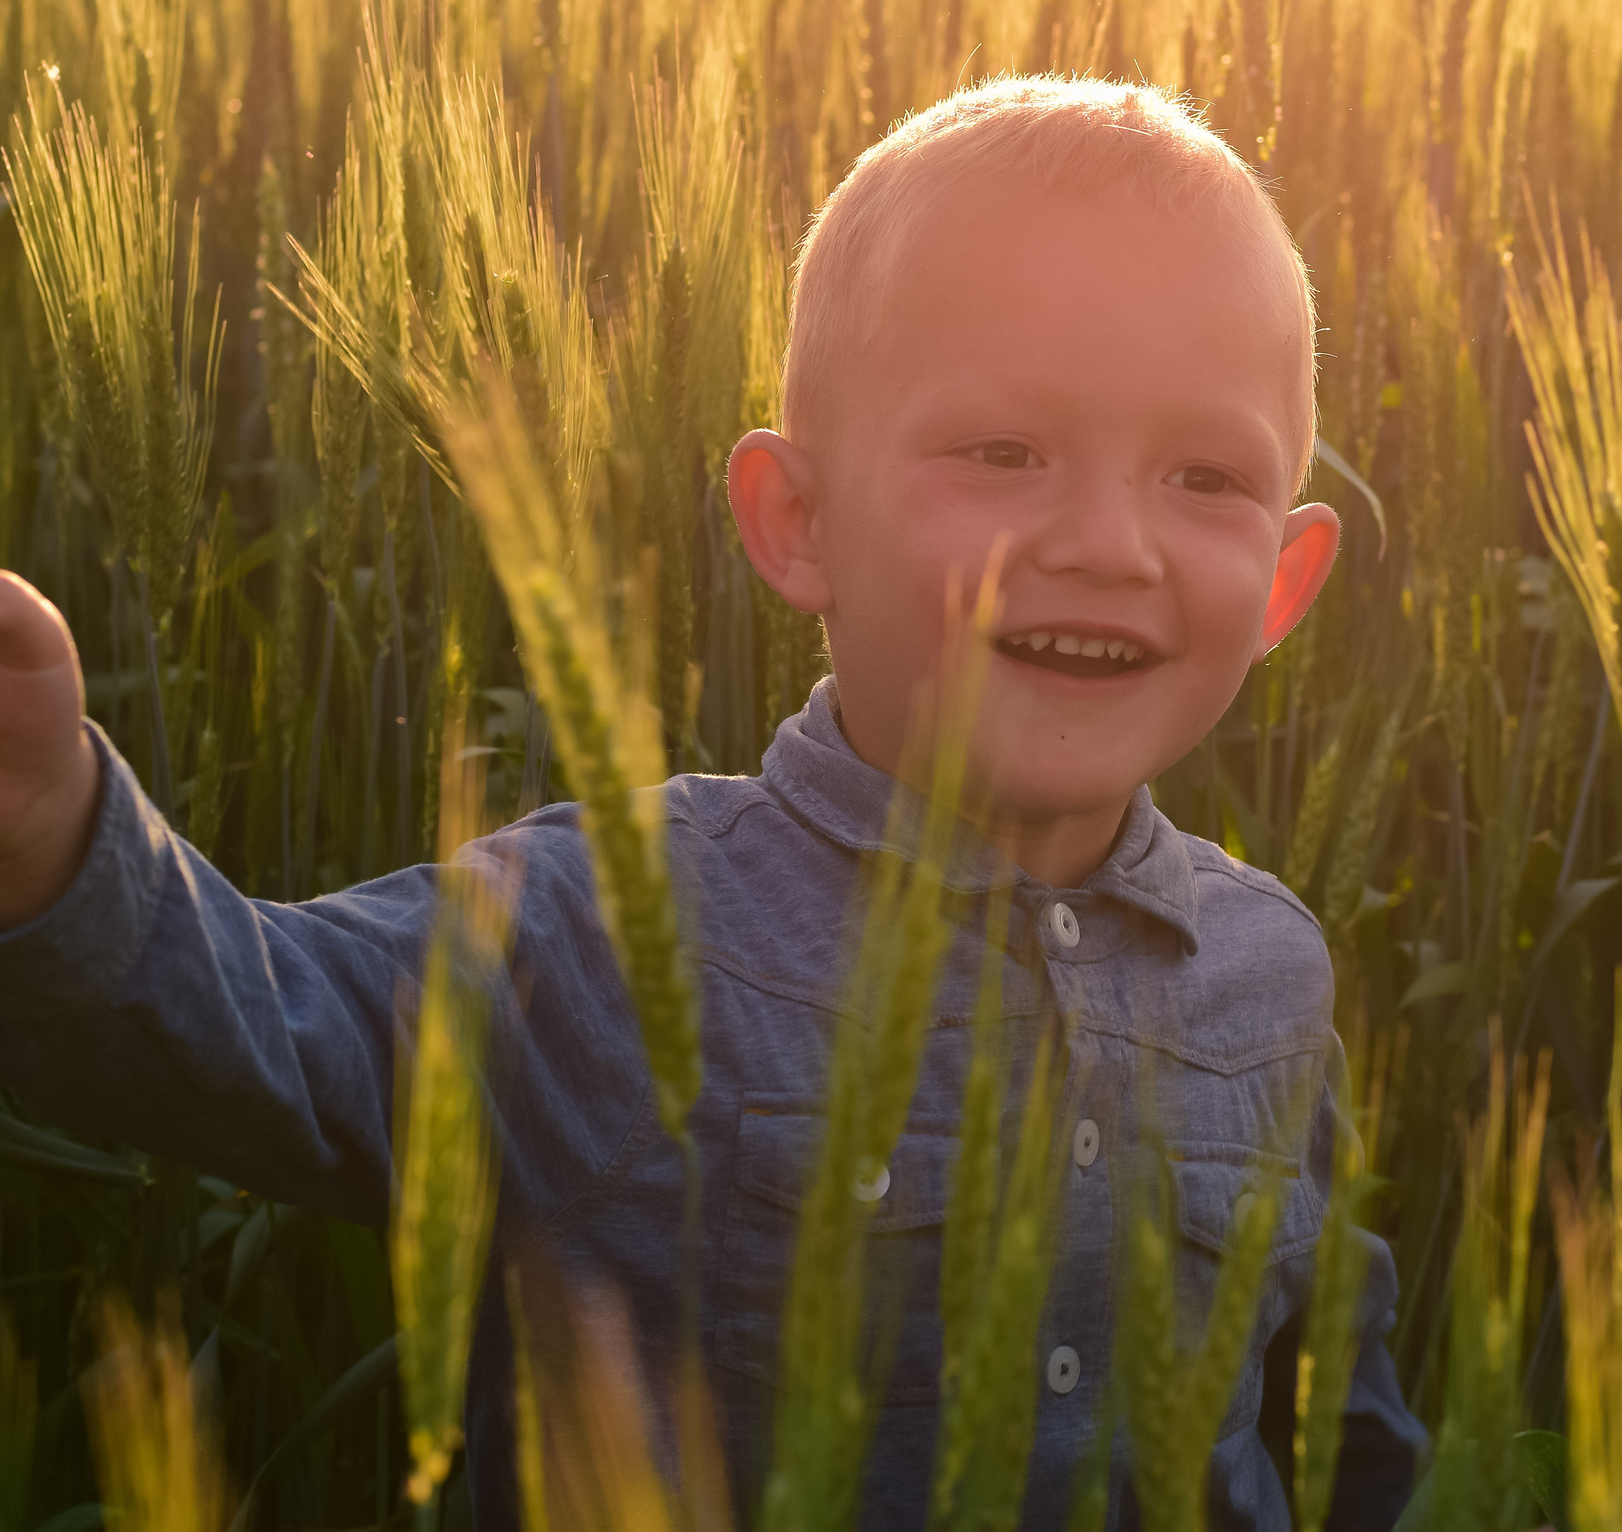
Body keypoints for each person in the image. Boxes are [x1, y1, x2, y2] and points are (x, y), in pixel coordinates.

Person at [0, 76, 1424, 1529]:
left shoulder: (1271, 971)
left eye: (1205, 477)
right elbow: (265, 1029)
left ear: (1284, 587)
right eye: (1006, 453)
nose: (1109, 544)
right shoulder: (616, 923)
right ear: (795, 524)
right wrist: (54, 836)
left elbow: (1332, 1408)